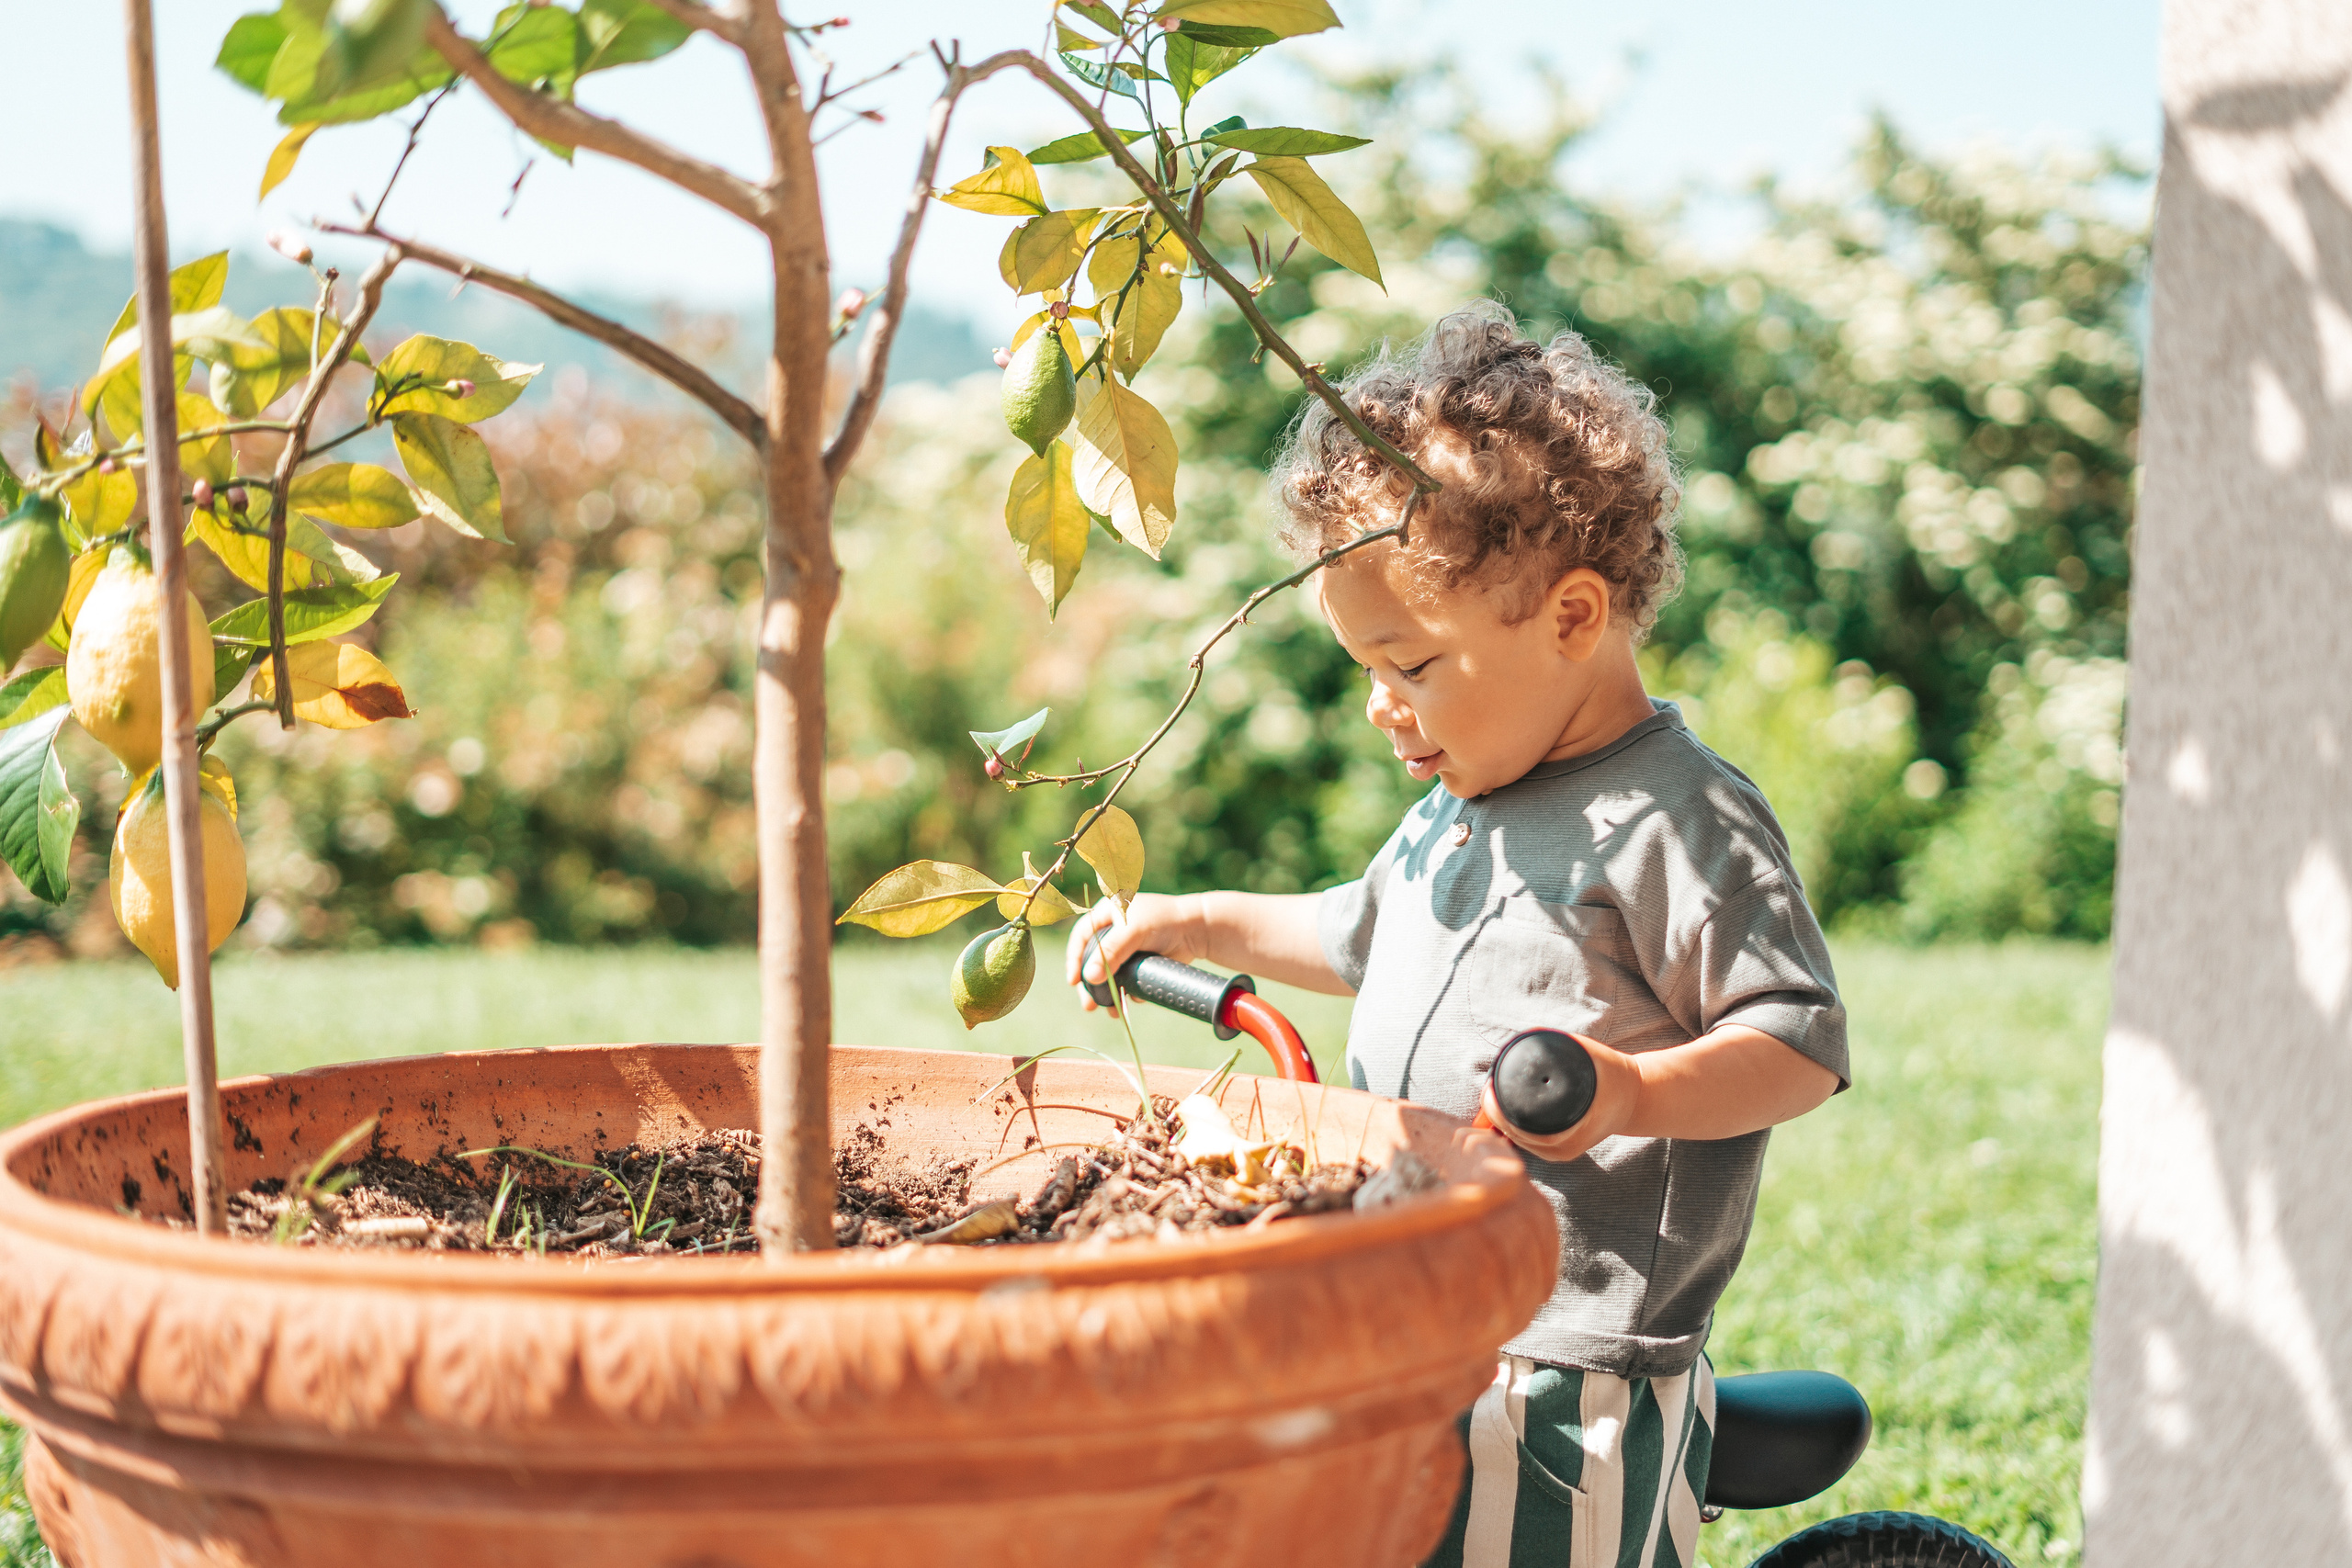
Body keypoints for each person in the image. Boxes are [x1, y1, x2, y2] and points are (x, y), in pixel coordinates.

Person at [1064, 302, 1847, 1568]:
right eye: (1367, 670)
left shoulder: (1675, 819)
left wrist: (1630, 1092)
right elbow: (1359, 933)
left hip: (1564, 1359)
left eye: (1414, 667)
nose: (1384, 708)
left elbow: (1794, 1041)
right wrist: (1195, 920)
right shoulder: (1465, 798)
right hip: (1418, 1308)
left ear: (1572, 618)